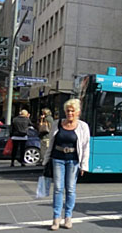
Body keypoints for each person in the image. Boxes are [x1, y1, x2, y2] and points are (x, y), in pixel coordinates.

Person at [43, 99, 90, 231]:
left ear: (78, 112)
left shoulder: (83, 126)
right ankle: (56, 218)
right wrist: (46, 160)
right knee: (58, 188)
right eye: (68, 111)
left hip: (73, 160)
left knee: (70, 189)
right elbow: (51, 143)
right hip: (58, 158)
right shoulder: (57, 124)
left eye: (72, 111)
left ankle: (68, 217)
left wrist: (84, 166)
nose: (70, 113)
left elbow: (86, 147)